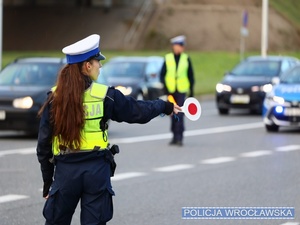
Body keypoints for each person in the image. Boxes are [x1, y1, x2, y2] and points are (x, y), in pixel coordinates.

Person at [36, 34, 181, 225]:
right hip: (96, 172)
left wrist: (48, 182)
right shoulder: (105, 96)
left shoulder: (54, 98)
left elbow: (43, 146)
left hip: (65, 173)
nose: (100, 66)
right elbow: (137, 112)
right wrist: (164, 106)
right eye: (98, 61)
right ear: (87, 66)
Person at [160, 35, 195, 146]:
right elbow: (162, 75)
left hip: (181, 90)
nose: (181, 48)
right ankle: (174, 136)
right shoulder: (168, 58)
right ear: (174, 46)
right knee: (172, 113)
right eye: (179, 45)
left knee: (179, 113)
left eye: (182, 46)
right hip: (170, 91)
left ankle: (179, 137)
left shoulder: (186, 58)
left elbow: (191, 75)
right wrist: (165, 89)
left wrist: (191, 91)